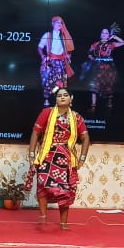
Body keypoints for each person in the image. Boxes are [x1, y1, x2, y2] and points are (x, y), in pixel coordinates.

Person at [27, 87, 90, 230]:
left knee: (65, 190)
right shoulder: (47, 113)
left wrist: (82, 159)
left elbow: (85, 138)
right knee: (43, 183)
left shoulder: (76, 117)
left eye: (65, 95)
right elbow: (35, 133)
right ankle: (43, 217)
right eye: (59, 95)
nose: (62, 97)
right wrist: (32, 155)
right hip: (47, 155)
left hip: (66, 158)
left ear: (71, 98)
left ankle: (64, 223)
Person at [84, 25, 124, 114]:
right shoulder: (95, 44)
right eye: (103, 32)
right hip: (98, 67)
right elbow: (89, 53)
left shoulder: (111, 44)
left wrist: (114, 37)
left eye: (106, 33)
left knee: (109, 86)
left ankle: (109, 107)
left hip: (109, 67)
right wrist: (93, 59)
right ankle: (93, 107)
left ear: (108, 35)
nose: (104, 34)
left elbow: (123, 42)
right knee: (94, 86)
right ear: (100, 34)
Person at [37, 16, 75, 105]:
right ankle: (46, 99)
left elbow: (68, 50)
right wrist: (43, 56)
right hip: (50, 61)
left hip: (61, 62)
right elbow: (40, 47)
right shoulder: (47, 35)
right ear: (52, 24)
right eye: (57, 22)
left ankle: (57, 100)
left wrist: (68, 55)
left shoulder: (64, 36)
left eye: (61, 23)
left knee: (60, 83)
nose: (59, 24)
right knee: (47, 81)